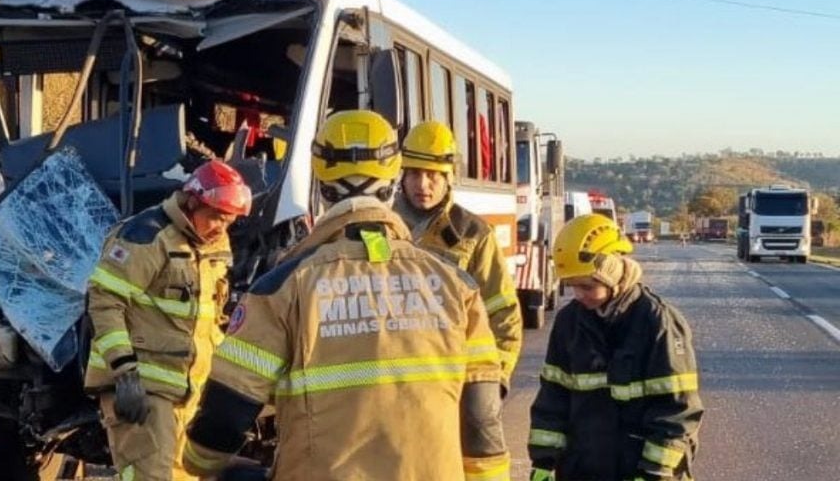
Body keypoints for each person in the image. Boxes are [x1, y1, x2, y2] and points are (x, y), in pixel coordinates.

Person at [181, 110, 508, 480]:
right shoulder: (457, 285)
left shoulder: (282, 286)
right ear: (392, 184)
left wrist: (199, 463)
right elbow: (482, 420)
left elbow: (228, 410)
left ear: (321, 184)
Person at [83, 159, 252, 481]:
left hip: (190, 389)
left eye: (228, 221)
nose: (221, 228)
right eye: (216, 217)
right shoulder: (146, 237)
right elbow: (105, 302)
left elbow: (210, 320)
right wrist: (125, 374)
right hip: (143, 387)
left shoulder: (213, 244)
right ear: (192, 203)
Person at [528, 214, 704, 481]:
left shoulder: (658, 322)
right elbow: (553, 396)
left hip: (640, 469)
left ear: (612, 273)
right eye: (572, 286)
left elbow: (677, 410)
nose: (578, 295)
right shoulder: (569, 322)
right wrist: (543, 462)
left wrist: (653, 472)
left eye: (588, 285)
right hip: (581, 468)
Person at [393, 120, 522, 474]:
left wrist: (494, 383)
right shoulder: (382, 227)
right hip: (392, 383)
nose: (423, 184)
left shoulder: (472, 234)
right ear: (401, 175)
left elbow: (503, 313)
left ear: (449, 177)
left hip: (452, 384)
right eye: (415, 173)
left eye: (434, 174)